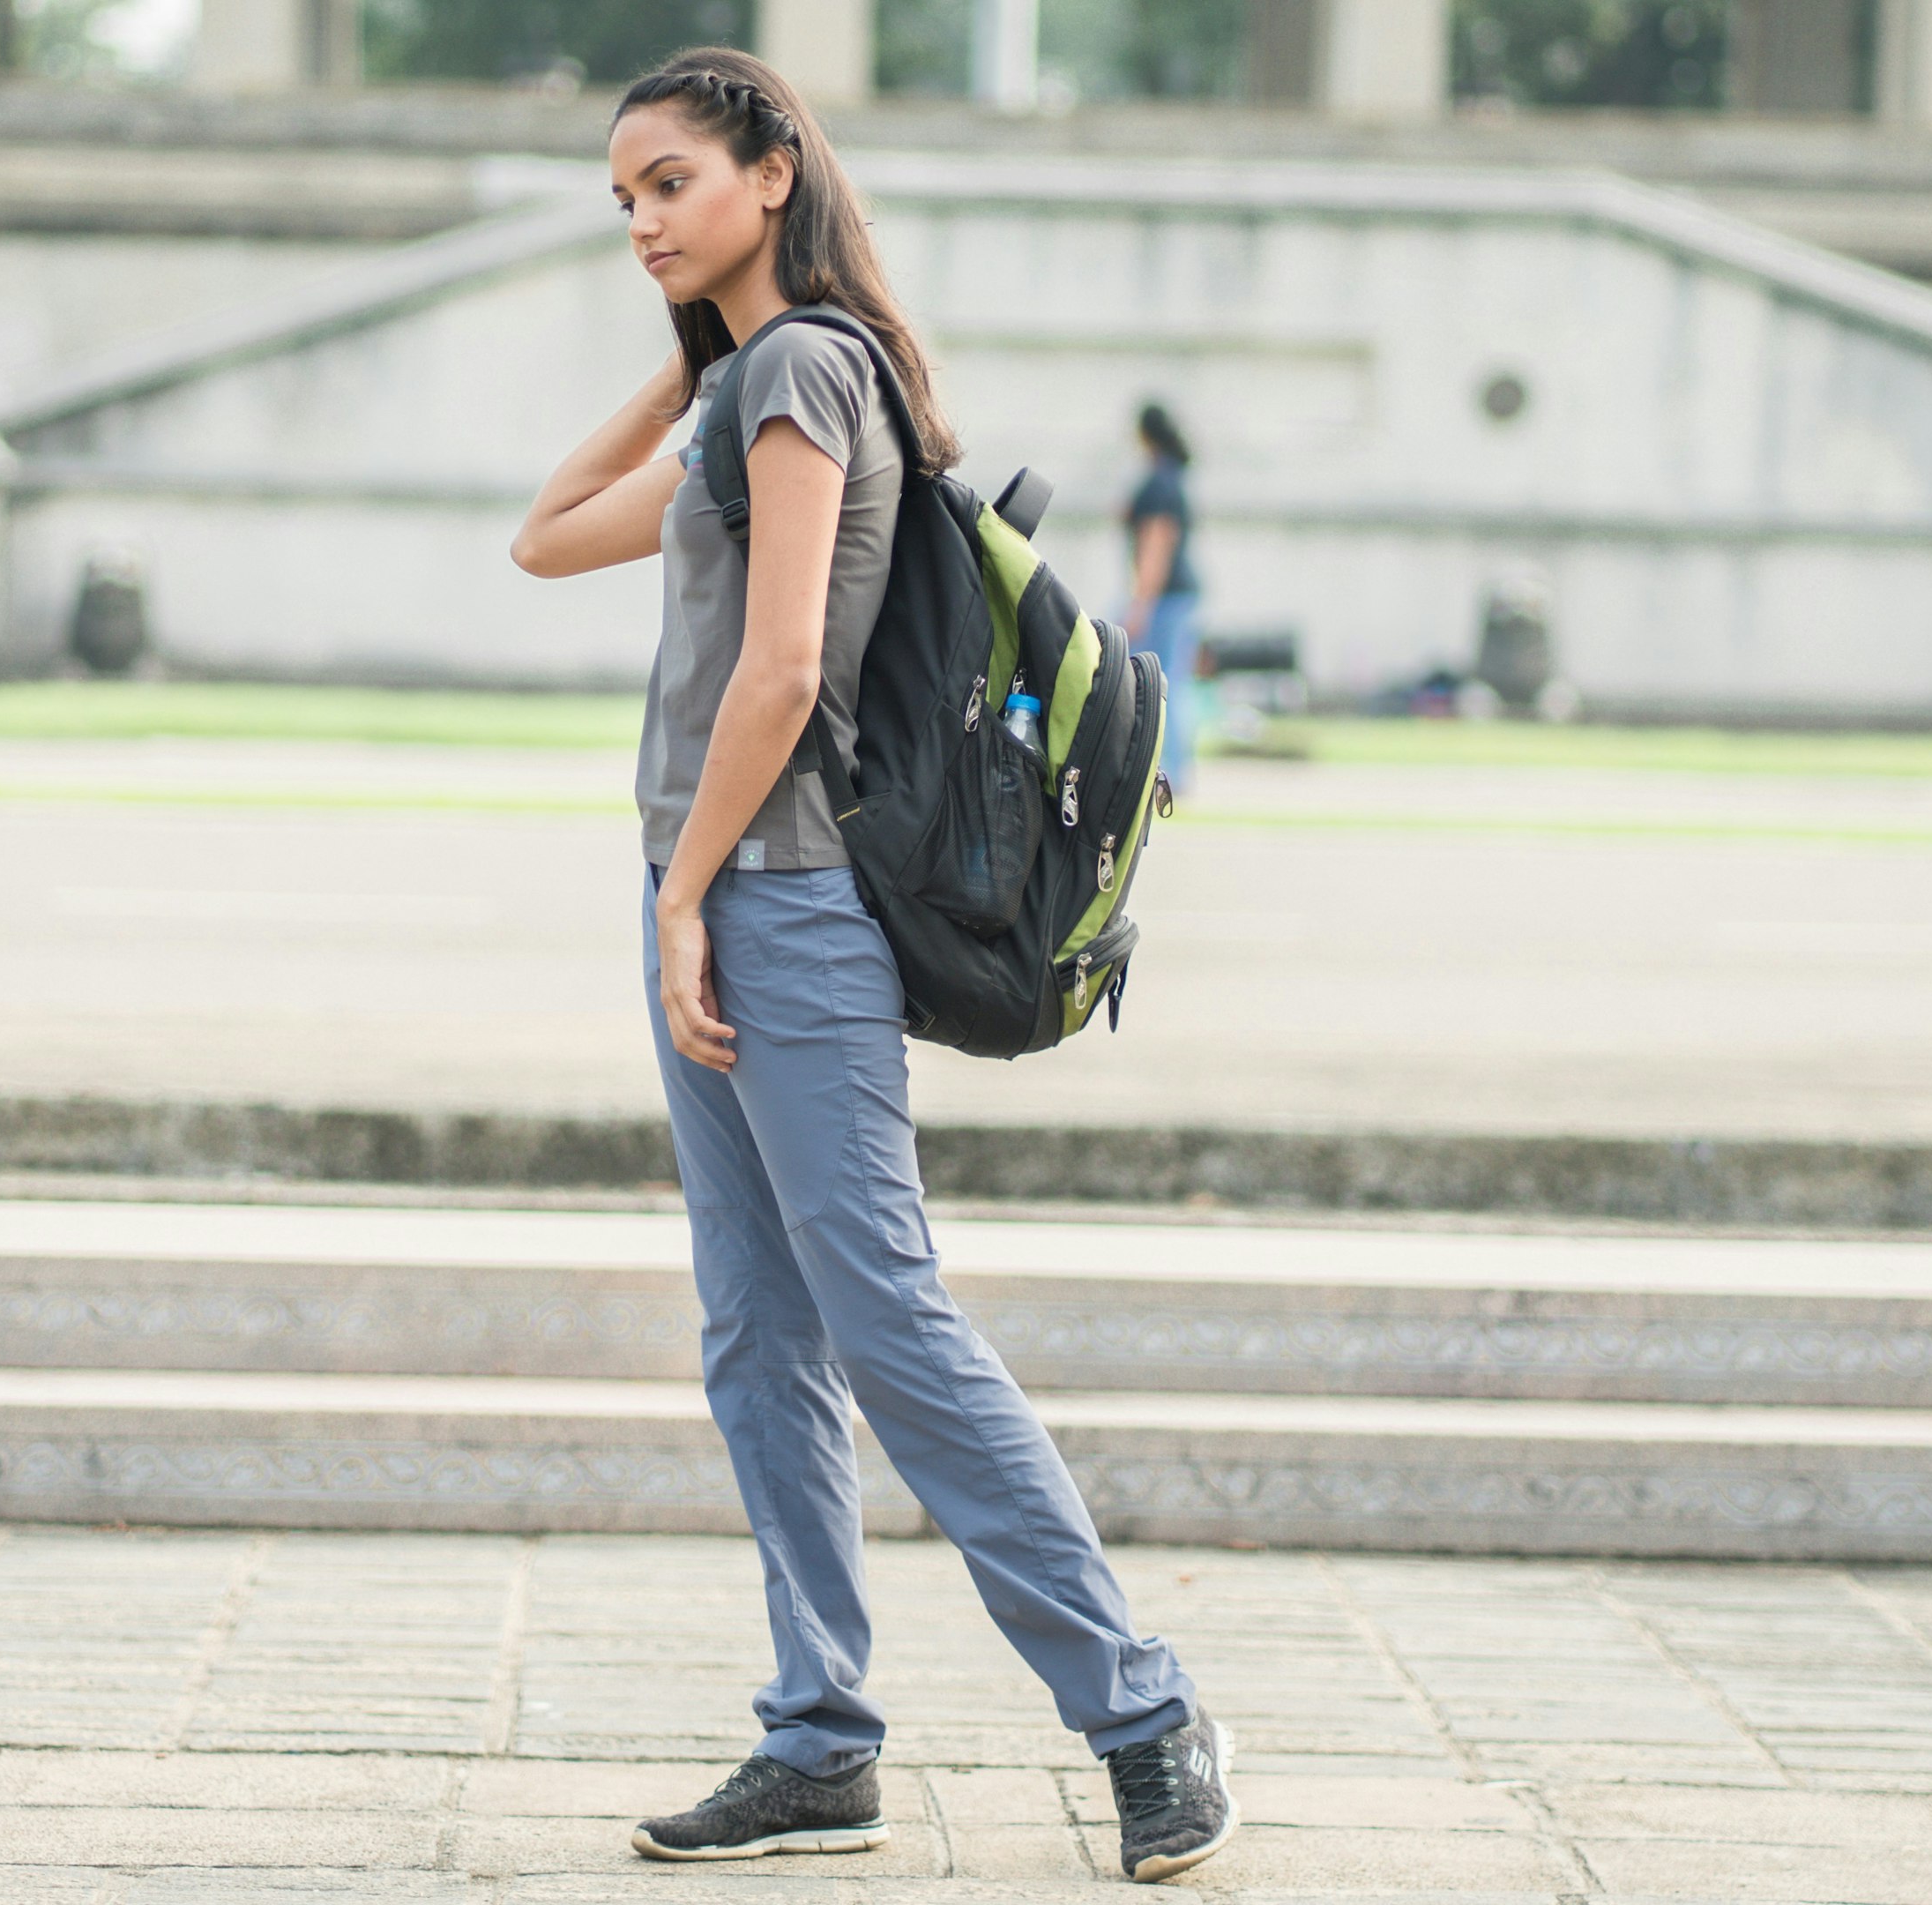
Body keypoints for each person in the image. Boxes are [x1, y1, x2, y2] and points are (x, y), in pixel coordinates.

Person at [509, 47, 1235, 1885]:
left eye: (671, 183)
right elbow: (539, 540)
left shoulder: (812, 371)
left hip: (779, 903)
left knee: (889, 1323)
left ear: (774, 170)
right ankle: (819, 1740)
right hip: (712, 897)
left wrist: (684, 900)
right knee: (761, 1339)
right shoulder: (756, 382)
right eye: (622, 201)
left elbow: (777, 677)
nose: (643, 222)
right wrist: (688, 342)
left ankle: (1146, 1715)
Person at [1125, 403, 1201, 796]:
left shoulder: (1159, 482)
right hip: (1178, 596)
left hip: (1164, 599)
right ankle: (1175, 770)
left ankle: (1169, 772)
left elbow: (1157, 544)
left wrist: (1140, 605)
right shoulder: (1172, 478)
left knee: (1161, 684)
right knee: (1175, 681)